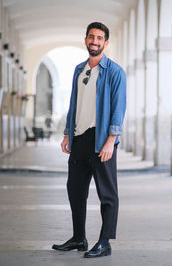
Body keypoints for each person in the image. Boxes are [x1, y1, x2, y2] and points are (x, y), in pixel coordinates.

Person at [52, 22, 126, 258]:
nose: (95, 41)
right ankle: (78, 238)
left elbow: (118, 108)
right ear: (85, 40)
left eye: (100, 38)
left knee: (107, 193)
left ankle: (104, 242)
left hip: (101, 139)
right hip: (79, 138)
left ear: (106, 43)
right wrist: (67, 133)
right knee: (75, 189)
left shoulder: (115, 72)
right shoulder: (78, 70)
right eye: (91, 37)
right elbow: (74, 104)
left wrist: (110, 141)